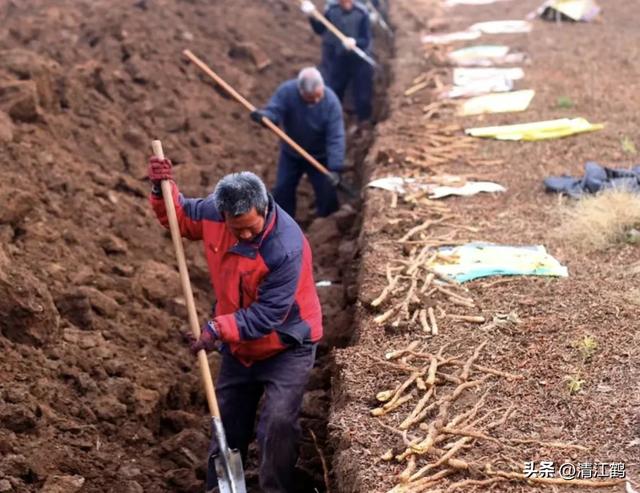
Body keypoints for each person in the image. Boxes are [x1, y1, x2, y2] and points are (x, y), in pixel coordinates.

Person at [147, 160, 323, 493]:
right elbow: (179, 216)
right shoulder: (215, 213)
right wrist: (161, 190)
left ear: (264, 206)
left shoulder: (285, 247)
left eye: (250, 229)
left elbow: (268, 314)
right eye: (235, 227)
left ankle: (276, 488)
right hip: (239, 347)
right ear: (223, 213)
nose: (243, 234)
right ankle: (222, 488)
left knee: (278, 424)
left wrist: (215, 329)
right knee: (227, 426)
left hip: (286, 344)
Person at [250, 67, 345, 219]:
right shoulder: (287, 92)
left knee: (327, 193)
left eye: (317, 97)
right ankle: (283, 223)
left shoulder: (331, 102)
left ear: (322, 86)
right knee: (282, 189)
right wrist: (264, 116)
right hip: (291, 154)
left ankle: (328, 224)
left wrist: (335, 168)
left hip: (319, 157)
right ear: (300, 90)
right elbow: (274, 111)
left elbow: (336, 137)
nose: (315, 101)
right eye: (310, 97)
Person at [302, 0, 374, 123]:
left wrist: (355, 42)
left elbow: (366, 40)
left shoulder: (361, 13)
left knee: (362, 95)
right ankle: (334, 119)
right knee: (335, 89)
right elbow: (320, 30)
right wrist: (312, 16)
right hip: (340, 58)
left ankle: (364, 122)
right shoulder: (332, 11)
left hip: (359, 61)